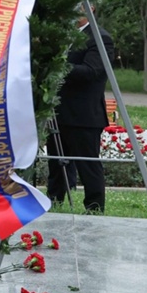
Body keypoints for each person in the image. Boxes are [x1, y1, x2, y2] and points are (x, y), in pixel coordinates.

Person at [46, 15, 115, 212]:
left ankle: (94, 206)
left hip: (84, 115)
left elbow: (92, 71)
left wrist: (57, 66)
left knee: (88, 165)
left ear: (90, 8)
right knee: (56, 163)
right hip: (58, 112)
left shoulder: (100, 37)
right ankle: (54, 202)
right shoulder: (64, 35)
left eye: (79, 6)